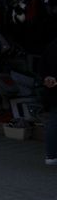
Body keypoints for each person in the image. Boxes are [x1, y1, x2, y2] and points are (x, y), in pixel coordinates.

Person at [42, 37, 57, 166]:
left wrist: (47, 78)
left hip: (52, 89)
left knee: (53, 122)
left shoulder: (51, 44)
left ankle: (51, 155)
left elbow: (42, 67)